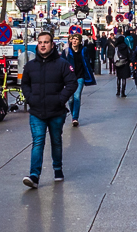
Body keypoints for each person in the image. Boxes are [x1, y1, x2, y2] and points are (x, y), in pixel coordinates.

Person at [19, 31, 77, 188]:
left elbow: (72, 83)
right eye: (40, 42)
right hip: (37, 111)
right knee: (38, 141)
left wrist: (60, 99)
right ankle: (34, 175)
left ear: (52, 45)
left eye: (46, 42)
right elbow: (24, 84)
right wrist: (30, 99)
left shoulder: (62, 64)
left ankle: (57, 169)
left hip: (56, 112)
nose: (42, 45)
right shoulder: (30, 66)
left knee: (56, 141)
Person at [63, 31, 95, 127]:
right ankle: (73, 114)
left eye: (76, 39)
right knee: (70, 99)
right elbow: (61, 63)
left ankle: (75, 118)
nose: (74, 41)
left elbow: (88, 62)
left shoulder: (83, 50)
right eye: (73, 39)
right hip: (69, 78)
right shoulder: (67, 51)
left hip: (80, 77)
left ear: (80, 41)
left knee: (77, 97)